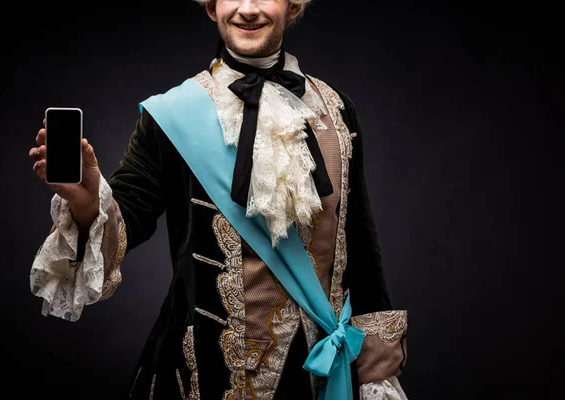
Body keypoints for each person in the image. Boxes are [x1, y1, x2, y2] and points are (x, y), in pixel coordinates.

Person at [28, 1, 409, 399]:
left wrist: (377, 373)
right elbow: (128, 219)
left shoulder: (336, 110)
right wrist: (89, 202)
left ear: (293, 5)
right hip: (203, 377)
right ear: (211, 7)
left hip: (318, 378)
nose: (247, 9)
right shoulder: (171, 115)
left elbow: (361, 255)